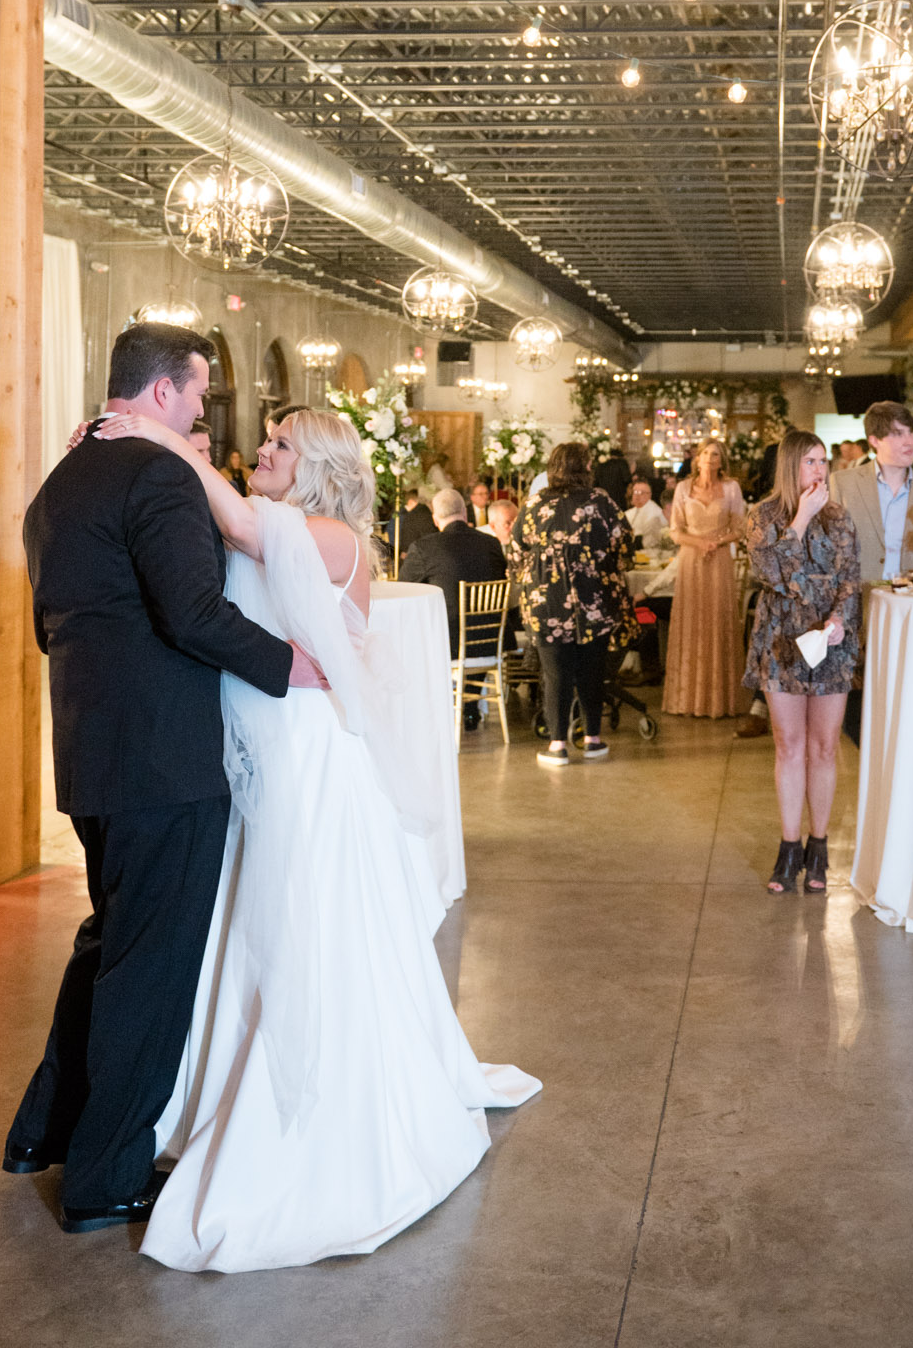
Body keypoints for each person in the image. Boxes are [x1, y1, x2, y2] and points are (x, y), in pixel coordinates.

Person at [93, 405, 539, 1269]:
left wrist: (151, 435)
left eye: (279, 443)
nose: (260, 450)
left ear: (318, 466)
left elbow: (233, 519)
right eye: (263, 440)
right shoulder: (285, 528)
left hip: (309, 756)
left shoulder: (330, 540)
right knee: (246, 917)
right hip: (258, 746)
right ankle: (211, 1092)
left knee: (299, 922)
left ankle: (307, 1118)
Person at [3, 323, 301, 1234]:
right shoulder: (160, 474)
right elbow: (194, 615)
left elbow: (54, 621)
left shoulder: (59, 483)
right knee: (150, 969)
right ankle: (104, 1179)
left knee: (107, 943)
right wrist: (291, 665)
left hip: (91, 752)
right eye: (200, 393)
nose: (205, 409)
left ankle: (43, 1131)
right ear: (164, 392)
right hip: (164, 760)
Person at [745, 429, 860, 894]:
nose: (819, 470)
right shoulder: (765, 515)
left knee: (825, 748)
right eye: (810, 461)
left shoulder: (840, 518)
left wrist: (838, 620)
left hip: (830, 645)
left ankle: (819, 847)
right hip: (780, 642)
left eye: (823, 461)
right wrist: (800, 519)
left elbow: (851, 580)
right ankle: (788, 847)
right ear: (790, 467)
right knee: (789, 745)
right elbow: (769, 572)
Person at [829, 401, 913, 745]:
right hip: (857, 607)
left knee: (909, 699)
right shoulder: (842, 484)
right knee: (859, 712)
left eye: (910, 432)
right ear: (874, 441)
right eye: (897, 434)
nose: (907, 441)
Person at [509, 441, 637, 767]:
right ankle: (593, 739)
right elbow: (625, 546)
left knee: (555, 675)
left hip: (546, 604)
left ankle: (557, 746)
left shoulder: (535, 504)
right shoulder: (601, 502)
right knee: (592, 672)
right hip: (594, 600)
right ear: (586, 468)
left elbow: (514, 553)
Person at [663, 439, 745, 718]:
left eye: (716, 455)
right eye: (706, 454)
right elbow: (675, 530)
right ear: (697, 459)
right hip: (691, 561)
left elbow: (740, 528)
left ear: (722, 461)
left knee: (718, 619)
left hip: (719, 562)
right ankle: (686, 698)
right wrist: (700, 543)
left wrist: (718, 541)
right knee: (691, 620)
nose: (710, 459)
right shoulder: (684, 489)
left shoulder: (732, 488)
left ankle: (721, 699)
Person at [399, 487, 507, 655]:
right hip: (493, 642)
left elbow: (403, 593)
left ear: (435, 519)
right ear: (464, 513)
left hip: (448, 645)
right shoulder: (492, 543)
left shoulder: (423, 549)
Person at [624, 477, 667, 553]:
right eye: (635, 492)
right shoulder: (628, 513)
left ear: (649, 495)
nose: (637, 495)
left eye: (641, 493)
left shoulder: (655, 512)